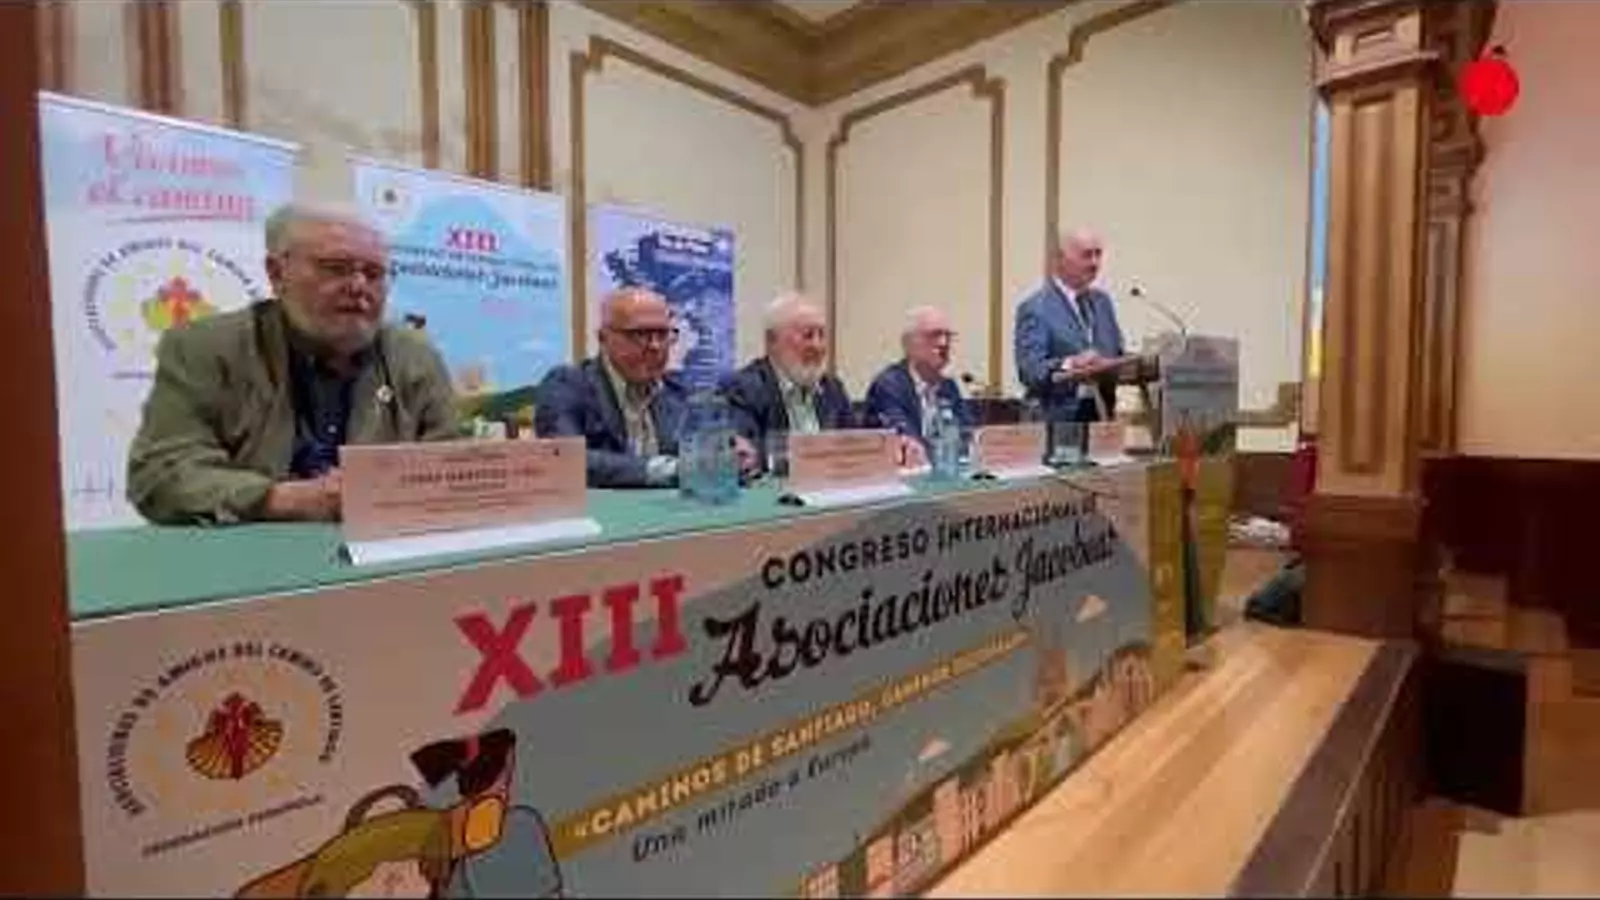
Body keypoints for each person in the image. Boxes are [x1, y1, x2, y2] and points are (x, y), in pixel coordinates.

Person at [126, 203, 458, 526]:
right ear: (277, 273)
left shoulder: (415, 357)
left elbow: (454, 472)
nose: (359, 287)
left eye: (374, 274)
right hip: (241, 555)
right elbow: (159, 475)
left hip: (380, 555)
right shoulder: (206, 348)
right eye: (335, 268)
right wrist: (287, 499)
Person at [535, 287, 756, 489]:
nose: (655, 346)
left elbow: (709, 443)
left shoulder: (677, 390)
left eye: (663, 334)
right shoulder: (568, 384)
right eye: (639, 334)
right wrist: (673, 470)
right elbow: (565, 459)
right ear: (603, 338)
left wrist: (732, 449)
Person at [1014, 227, 1132, 423]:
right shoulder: (1036, 308)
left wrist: (1138, 362)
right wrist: (1070, 364)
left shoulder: (1102, 302)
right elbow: (1030, 370)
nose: (1095, 263)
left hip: (1102, 414)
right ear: (1060, 259)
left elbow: (1115, 353)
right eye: (1087, 255)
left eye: (1098, 254)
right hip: (1057, 420)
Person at [721, 293, 856, 461]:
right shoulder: (742, 389)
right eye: (807, 335)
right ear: (772, 341)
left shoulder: (832, 389)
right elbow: (746, 455)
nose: (817, 345)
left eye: (822, 335)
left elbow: (855, 449)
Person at [864, 306, 975, 452]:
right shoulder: (890, 385)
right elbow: (905, 440)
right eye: (934, 335)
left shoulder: (948, 387)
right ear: (909, 343)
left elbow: (968, 436)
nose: (943, 343)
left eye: (948, 336)